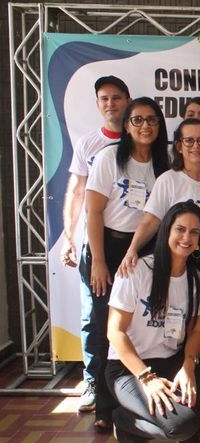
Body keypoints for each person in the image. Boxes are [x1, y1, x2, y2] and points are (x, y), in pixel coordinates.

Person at [106, 202, 200, 443]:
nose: (187, 238)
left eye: (194, 232)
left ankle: (178, 412)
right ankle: (124, 421)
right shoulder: (136, 270)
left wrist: (188, 367)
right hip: (129, 370)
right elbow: (115, 332)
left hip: (171, 363)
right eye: (180, 229)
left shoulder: (195, 279)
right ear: (166, 231)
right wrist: (147, 378)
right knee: (180, 427)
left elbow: (197, 330)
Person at [83, 97, 169, 430]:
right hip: (110, 247)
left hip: (148, 249)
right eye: (138, 120)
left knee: (141, 327)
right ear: (127, 125)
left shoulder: (164, 163)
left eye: (152, 120)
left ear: (160, 125)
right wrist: (99, 261)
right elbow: (93, 212)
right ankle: (105, 408)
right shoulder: (109, 158)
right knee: (107, 327)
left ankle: (139, 400)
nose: (145, 126)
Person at [62, 75, 130, 413]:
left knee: (132, 317)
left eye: (117, 97)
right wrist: (69, 236)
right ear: (97, 103)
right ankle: (93, 382)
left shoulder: (140, 140)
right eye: (104, 98)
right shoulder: (89, 143)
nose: (110, 104)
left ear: (128, 100)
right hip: (97, 245)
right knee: (94, 317)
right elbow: (76, 192)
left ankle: (127, 386)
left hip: (133, 247)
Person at [117, 118, 200, 305]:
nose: (195, 146)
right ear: (179, 146)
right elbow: (150, 221)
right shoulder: (168, 180)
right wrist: (132, 249)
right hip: (179, 264)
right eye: (189, 140)